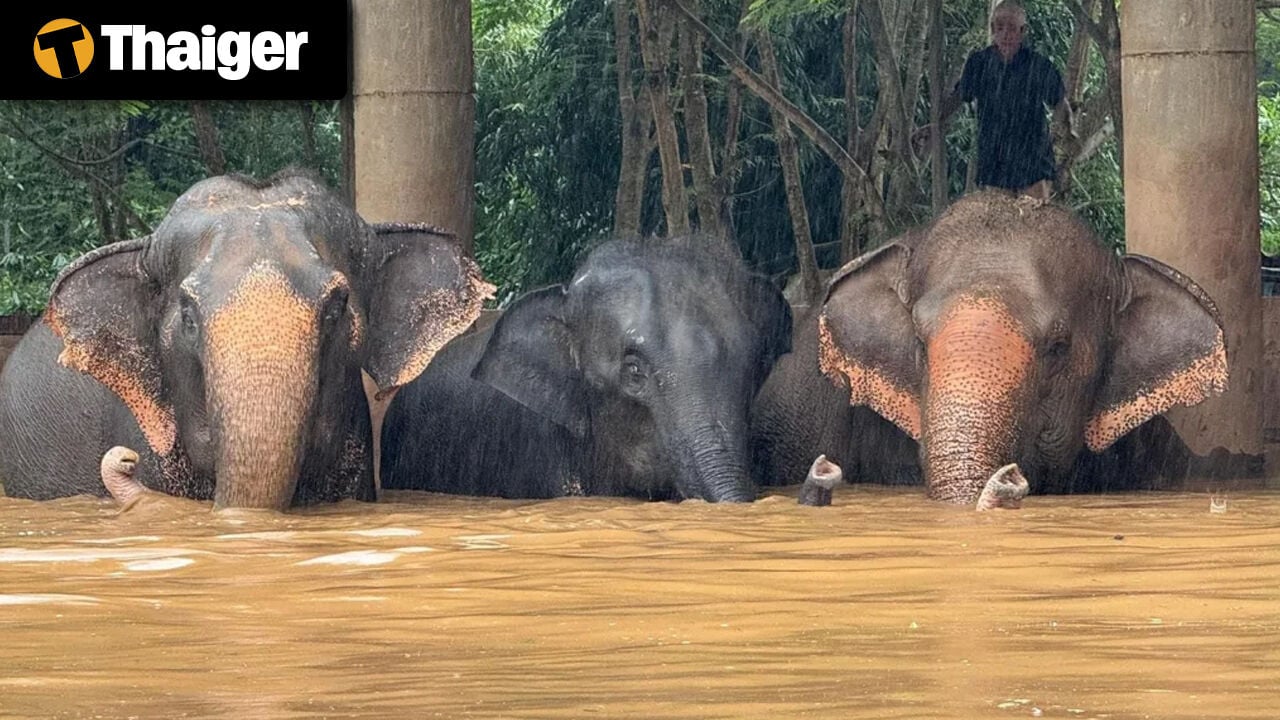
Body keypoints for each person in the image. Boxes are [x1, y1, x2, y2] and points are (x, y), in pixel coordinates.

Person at [915, 0, 1075, 201]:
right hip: (995, 161)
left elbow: (1060, 103)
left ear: (1022, 31)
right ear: (992, 30)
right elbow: (959, 96)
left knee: (1035, 224)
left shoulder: (1039, 66)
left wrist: (1069, 133)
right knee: (999, 226)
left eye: (1012, 28)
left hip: (1033, 161)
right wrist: (936, 123)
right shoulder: (979, 63)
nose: (1006, 34)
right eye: (1000, 27)